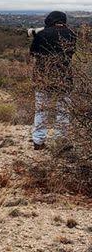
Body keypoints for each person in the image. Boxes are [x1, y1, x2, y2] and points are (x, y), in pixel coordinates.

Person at [30, 11, 76, 150]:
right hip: (64, 77)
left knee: (41, 109)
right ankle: (60, 141)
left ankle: (38, 141)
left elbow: (33, 52)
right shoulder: (72, 34)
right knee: (63, 110)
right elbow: (71, 52)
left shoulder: (42, 34)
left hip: (43, 76)